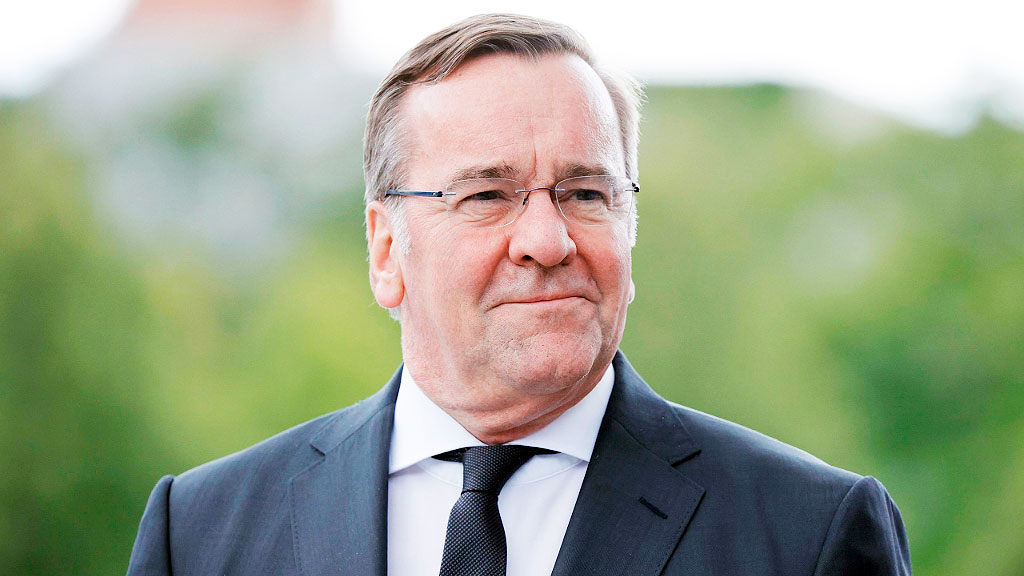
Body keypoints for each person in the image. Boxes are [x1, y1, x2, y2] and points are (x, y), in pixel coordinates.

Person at [127, 13, 911, 576]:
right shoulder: (200, 533)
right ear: (386, 249)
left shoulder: (805, 533)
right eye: (487, 196)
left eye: (585, 193)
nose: (547, 239)